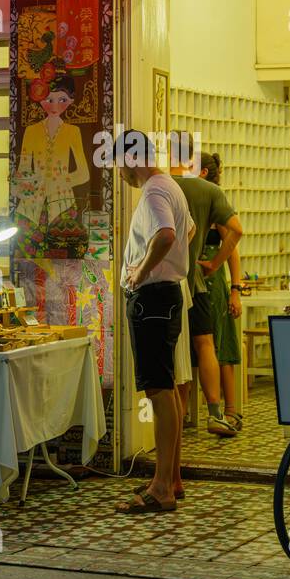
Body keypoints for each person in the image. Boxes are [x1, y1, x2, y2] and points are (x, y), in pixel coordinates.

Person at [116, 131, 194, 513]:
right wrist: (170, 260)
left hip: (153, 300)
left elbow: (167, 234)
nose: (120, 174)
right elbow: (188, 230)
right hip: (166, 297)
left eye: (120, 165)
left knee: (159, 393)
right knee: (166, 391)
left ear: (133, 160)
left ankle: (162, 487)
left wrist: (140, 272)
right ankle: (170, 478)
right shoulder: (171, 186)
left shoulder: (152, 191)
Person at [171, 137, 243, 436]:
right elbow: (237, 231)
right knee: (206, 345)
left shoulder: (161, 186)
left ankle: (179, 416)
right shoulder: (209, 191)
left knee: (178, 352)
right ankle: (216, 412)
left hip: (168, 283)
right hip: (199, 283)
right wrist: (214, 266)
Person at [13, 72, 90, 257]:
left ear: (71, 100)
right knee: (31, 260)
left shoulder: (73, 132)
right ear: (40, 100)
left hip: (62, 203)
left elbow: (83, 173)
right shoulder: (31, 132)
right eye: (49, 99)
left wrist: (61, 181)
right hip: (32, 206)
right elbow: (23, 169)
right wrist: (24, 184)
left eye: (62, 99)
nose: (55, 105)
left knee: (62, 257)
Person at [199, 152, 243, 431]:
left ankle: (229, 410)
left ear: (202, 172)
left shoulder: (213, 199)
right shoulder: (197, 197)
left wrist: (235, 289)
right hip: (201, 275)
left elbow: (233, 248)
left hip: (213, 279)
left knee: (221, 343)